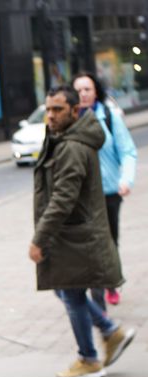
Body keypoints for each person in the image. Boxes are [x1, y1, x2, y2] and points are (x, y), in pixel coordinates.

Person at [30, 85, 135, 377]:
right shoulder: (63, 138)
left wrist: (40, 239)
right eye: (48, 109)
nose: (50, 115)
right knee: (65, 290)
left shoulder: (72, 147)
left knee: (70, 292)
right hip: (71, 236)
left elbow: (64, 199)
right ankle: (109, 332)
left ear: (75, 111)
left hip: (73, 237)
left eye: (58, 109)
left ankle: (89, 358)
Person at [72, 72, 137, 307]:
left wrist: (126, 180)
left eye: (87, 89)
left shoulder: (109, 116)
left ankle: (111, 283)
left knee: (109, 242)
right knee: (90, 245)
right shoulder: (70, 121)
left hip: (109, 193)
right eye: (78, 90)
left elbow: (128, 151)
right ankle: (98, 294)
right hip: (81, 197)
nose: (83, 94)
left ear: (95, 91)